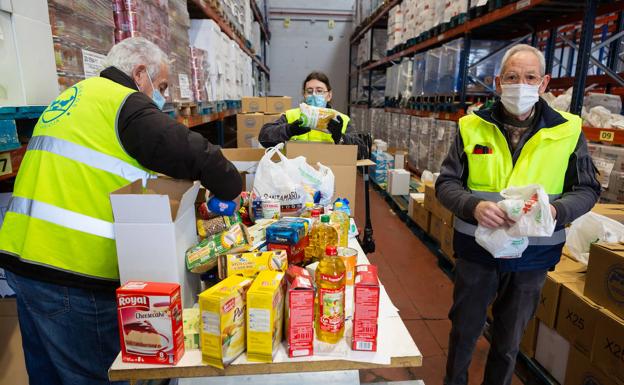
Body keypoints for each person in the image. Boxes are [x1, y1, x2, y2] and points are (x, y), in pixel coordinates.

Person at [0, 37, 242, 385]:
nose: (162, 98)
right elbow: (194, 152)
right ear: (139, 73)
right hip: (70, 274)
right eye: (160, 87)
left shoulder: (73, 97)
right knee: (96, 376)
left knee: (48, 377)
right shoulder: (121, 102)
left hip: (23, 264)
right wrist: (232, 187)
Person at [435, 44, 600, 385]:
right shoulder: (471, 126)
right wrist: (474, 206)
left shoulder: (568, 131)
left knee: (509, 342)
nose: (520, 84)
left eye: (529, 77)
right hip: (477, 250)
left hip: (532, 254)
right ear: (498, 82)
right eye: (512, 77)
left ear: (544, 84)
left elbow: (588, 189)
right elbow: (447, 183)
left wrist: (555, 210)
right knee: (464, 333)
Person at [258, 71, 366, 158]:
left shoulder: (340, 119)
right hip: (295, 178)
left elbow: (362, 152)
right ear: (304, 95)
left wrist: (340, 138)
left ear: (329, 95)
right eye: (309, 91)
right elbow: (264, 137)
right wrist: (288, 130)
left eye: (319, 91)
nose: (314, 95)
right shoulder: (291, 116)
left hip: (329, 175)